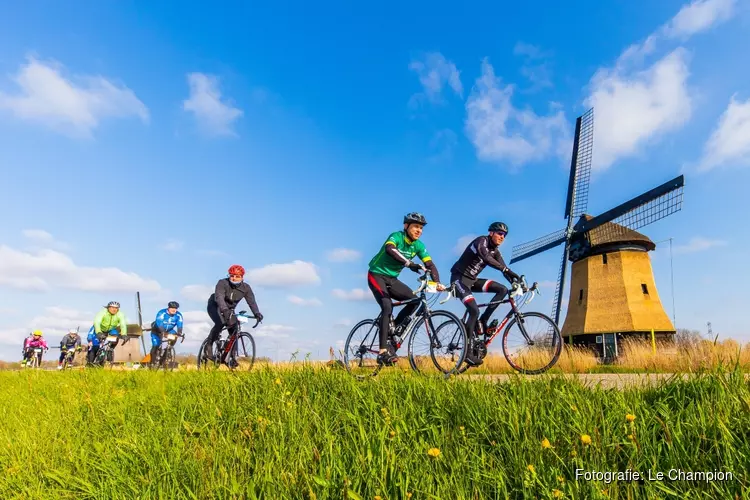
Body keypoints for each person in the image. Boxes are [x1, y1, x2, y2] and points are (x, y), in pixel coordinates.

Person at [366, 212, 446, 366]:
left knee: (415, 301)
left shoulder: (418, 246)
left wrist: (437, 283)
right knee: (387, 305)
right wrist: (409, 263)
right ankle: (383, 351)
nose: (419, 230)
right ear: (406, 226)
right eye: (416, 226)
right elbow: (390, 249)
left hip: (392, 279)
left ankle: (392, 330)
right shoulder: (396, 236)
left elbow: (430, 265)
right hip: (376, 275)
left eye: (421, 228)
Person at [450, 222, 522, 365]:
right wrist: (507, 271)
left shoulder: (495, 251)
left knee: (502, 290)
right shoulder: (481, 241)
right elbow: (486, 258)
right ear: (491, 233)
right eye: (500, 234)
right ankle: (467, 352)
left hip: (472, 280)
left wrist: (516, 281)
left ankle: (484, 320)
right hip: (458, 279)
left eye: (504, 235)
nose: (502, 237)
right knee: (474, 310)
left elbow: (503, 268)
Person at [204, 265, 263, 361]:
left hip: (229, 309)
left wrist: (257, 313)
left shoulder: (246, 288)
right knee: (220, 323)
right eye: (232, 276)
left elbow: (251, 301)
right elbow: (219, 297)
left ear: (242, 277)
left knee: (234, 330)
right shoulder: (222, 283)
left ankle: (231, 357)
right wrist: (225, 310)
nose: (234, 278)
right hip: (215, 306)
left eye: (237, 276)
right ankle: (209, 345)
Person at [150, 301, 184, 366]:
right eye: (172, 308)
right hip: (157, 330)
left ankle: (167, 351)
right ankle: (152, 362)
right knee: (156, 345)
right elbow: (159, 323)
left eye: (175, 308)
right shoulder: (161, 313)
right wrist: (163, 332)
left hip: (169, 330)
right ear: (168, 308)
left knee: (174, 336)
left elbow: (180, 325)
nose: (174, 310)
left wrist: (179, 333)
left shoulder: (178, 315)